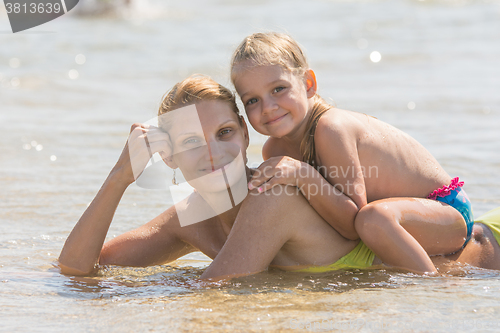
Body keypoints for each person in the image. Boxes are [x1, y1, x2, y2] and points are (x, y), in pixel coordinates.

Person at [57, 75, 500, 279]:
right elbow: (77, 267)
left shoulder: (276, 191)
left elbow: (219, 287)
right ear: (168, 158)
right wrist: (119, 178)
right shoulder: (191, 216)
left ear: (245, 135)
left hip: (487, 251)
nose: (213, 154)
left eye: (224, 133)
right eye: (191, 142)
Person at [230, 32, 473, 274]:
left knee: (373, 219)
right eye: (252, 101)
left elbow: (350, 226)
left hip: (444, 211)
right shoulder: (274, 149)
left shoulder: (331, 128)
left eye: (278, 89)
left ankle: (432, 285)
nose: (268, 107)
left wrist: (302, 174)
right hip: (401, 219)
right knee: (373, 220)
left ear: (308, 84)